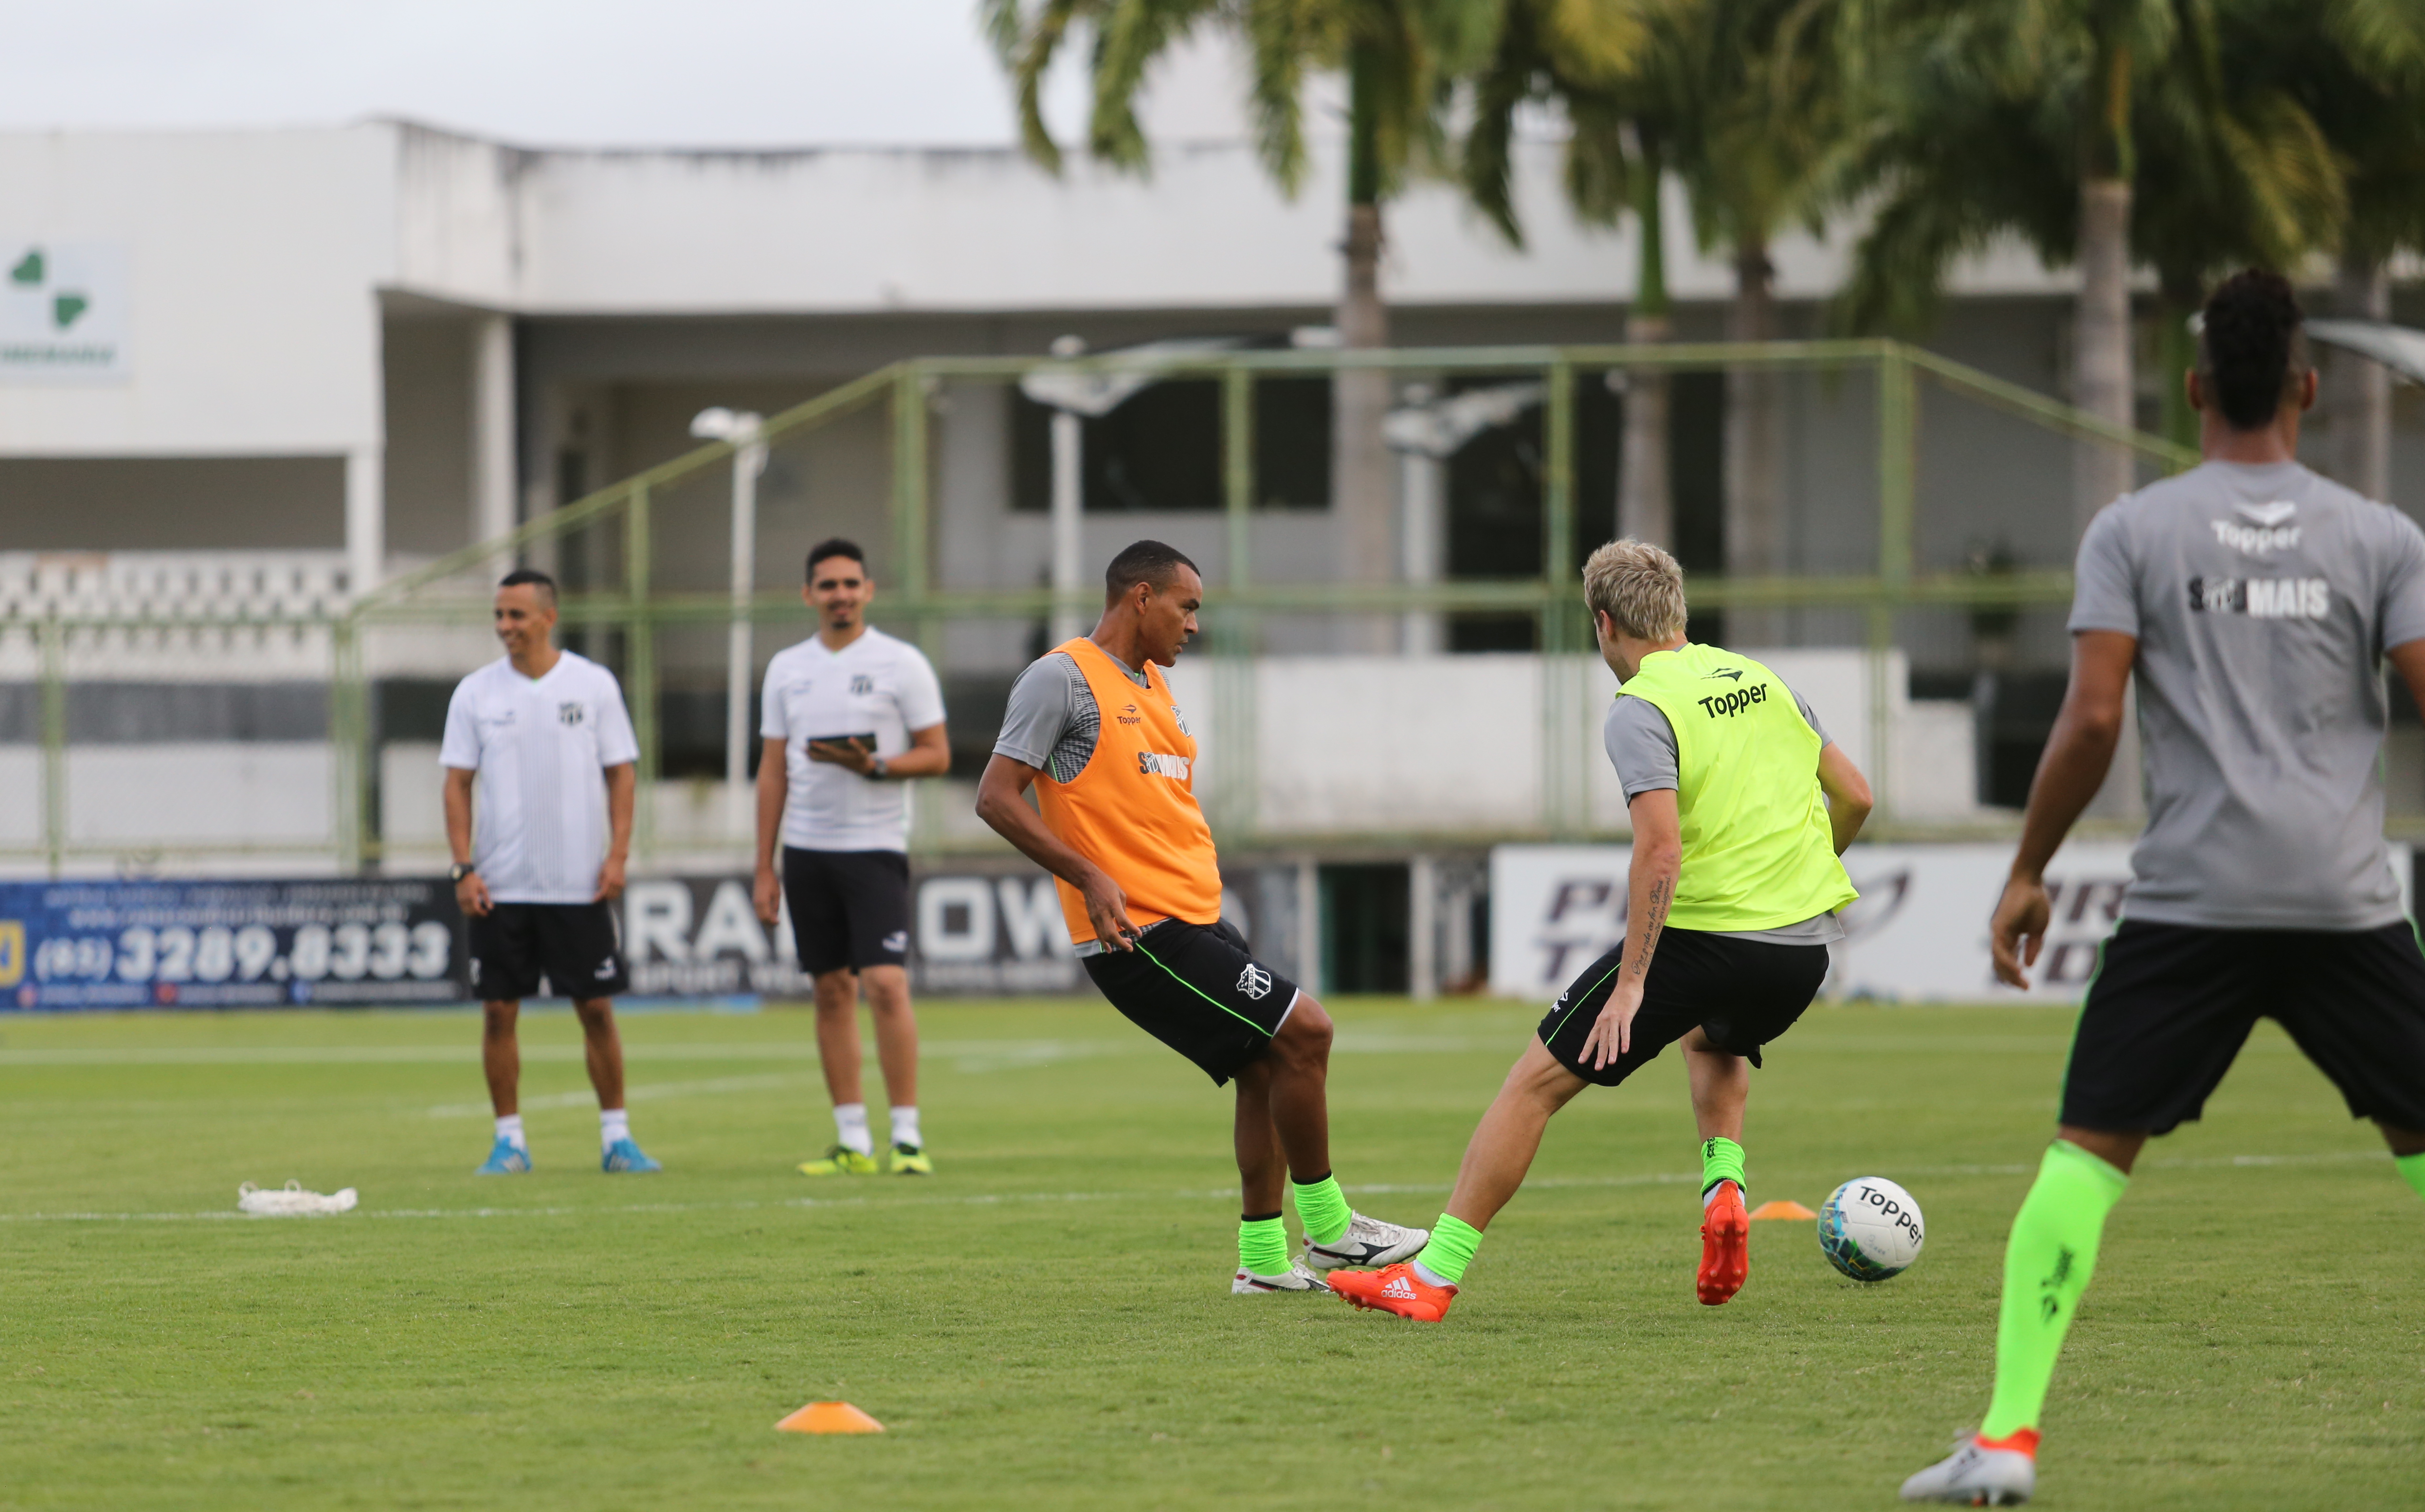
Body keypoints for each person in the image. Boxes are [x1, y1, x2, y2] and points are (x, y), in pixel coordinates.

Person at [1902, 269, 2425, 1507]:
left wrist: (2028, 871)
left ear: (2193, 390)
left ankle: (2009, 1444)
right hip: (2345, 904)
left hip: (2190, 904)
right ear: (2305, 388)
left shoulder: (2134, 530)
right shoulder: (2382, 536)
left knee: (2085, 1156)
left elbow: (2090, 721)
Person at [1330, 538, 1871, 1322]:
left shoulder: (1642, 706)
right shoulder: (1764, 680)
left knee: (1532, 1085)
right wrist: (1800, 876)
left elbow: (1659, 851)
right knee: (1713, 1036)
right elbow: (1854, 795)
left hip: (1700, 940)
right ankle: (1724, 1184)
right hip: (1800, 952)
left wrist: (1631, 984)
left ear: (1605, 622)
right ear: (1677, 609)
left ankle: (1432, 1275)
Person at [976, 538, 1428, 1293]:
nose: (1194, 625)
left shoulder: (1152, 684)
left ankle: (1260, 1263)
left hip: (1195, 917)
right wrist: (1089, 874)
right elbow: (995, 796)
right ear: (1141, 599)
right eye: (1187, 607)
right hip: (1140, 933)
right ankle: (1332, 1230)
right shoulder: (1061, 679)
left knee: (1264, 1068)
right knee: (1307, 1030)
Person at [442, 570, 658, 1177]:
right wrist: (463, 867)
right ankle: (509, 1141)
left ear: (548, 617)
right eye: (500, 617)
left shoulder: (592, 685)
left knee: (595, 1009)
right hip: (500, 885)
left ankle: (617, 1138)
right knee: (497, 1012)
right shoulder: (476, 693)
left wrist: (617, 855)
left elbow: (622, 772)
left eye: (516, 615)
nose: (506, 627)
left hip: (577, 883)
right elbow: (457, 784)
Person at [754, 538, 952, 1177]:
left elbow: (938, 754)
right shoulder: (786, 668)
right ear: (809, 594)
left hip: (875, 849)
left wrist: (878, 765)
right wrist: (765, 864)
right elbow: (772, 768)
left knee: (888, 986)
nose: (840, 595)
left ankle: (908, 1137)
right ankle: (852, 1142)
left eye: (850, 584)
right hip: (807, 852)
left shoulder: (902, 663)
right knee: (830, 992)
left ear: (868, 590)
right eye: (827, 585)